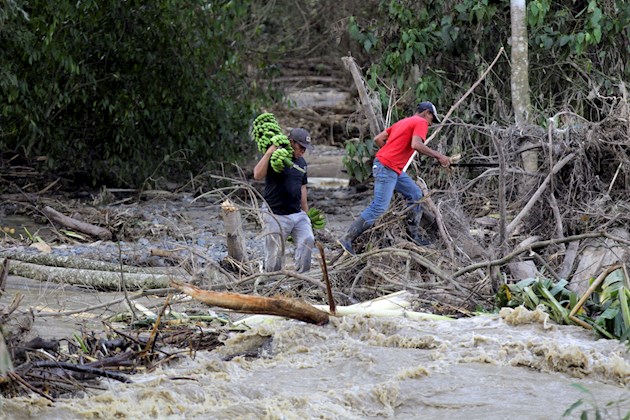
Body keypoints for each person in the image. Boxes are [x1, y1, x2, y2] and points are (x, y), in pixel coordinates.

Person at [338, 101, 451, 255]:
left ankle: (413, 236)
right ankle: (347, 238)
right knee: (379, 207)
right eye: (432, 119)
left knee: (415, 195)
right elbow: (416, 144)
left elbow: (378, 138)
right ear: (427, 113)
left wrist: (391, 153)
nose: (430, 124)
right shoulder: (421, 122)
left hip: (391, 168)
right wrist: (439, 156)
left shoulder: (403, 122)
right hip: (387, 168)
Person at [253, 127, 315, 272]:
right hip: (275, 213)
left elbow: (303, 187)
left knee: (308, 240)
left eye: (305, 149)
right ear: (291, 142)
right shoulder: (277, 158)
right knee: (275, 254)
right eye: (301, 147)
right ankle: (271, 284)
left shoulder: (302, 163)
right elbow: (257, 175)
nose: (303, 151)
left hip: (297, 213)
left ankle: (302, 278)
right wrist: (270, 151)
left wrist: (306, 213)